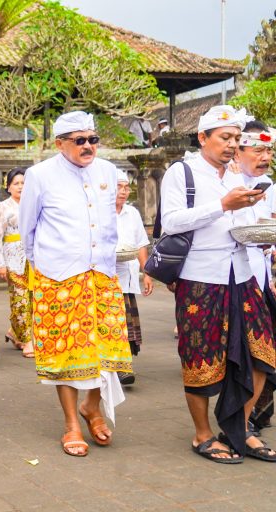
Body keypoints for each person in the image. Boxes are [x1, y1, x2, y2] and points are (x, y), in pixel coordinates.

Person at [161, 105, 276, 464]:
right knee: (201, 358)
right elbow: (172, 221)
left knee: (263, 354)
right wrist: (221, 205)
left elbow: (242, 224)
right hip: (200, 277)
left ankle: (240, 427)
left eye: (236, 139)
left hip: (242, 274)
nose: (231, 146)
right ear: (202, 138)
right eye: (225, 138)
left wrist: (259, 233)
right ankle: (203, 435)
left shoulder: (236, 176)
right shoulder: (181, 172)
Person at [18, 111, 133, 457]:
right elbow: (28, 230)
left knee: (106, 352)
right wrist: (43, 273)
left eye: (92, 139)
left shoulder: (109, 172)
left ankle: (92, 407)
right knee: (65, 355)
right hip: (59, 278)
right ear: (60, 143)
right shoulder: (39, 175)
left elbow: (109, 222)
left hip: (102, 275)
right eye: (79, 140)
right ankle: (71, 423)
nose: (88, 146)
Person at [237, 122, 276, 437]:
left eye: (269, 150)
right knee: (243, 354)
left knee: (263, 352)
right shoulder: (227, 182)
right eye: (259, 150)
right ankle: (237, 420)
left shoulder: (269, 185)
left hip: (262, 277)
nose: (266, 157)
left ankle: (252, 418)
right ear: (240, 149)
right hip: (231, 278)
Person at [114, 170, 153, 385]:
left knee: (127, 324)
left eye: (126, 187)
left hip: (128, 278)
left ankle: (124, 364)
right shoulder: (99, 214)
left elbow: (140, 243)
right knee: (114, 323)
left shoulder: (132, 213)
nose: (123, 191)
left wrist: (146, 273)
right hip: (106, 279)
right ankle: (119, 366)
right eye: (118, 187)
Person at [0, 167, 34, 357]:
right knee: (20, 301)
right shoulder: (4, 207)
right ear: (8, 187)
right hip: (13, 259)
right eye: (16, 183)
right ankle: (27, 341)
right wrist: (0, 263)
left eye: (23, 183)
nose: (20, 187)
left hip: (33, 260)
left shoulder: (33, 204)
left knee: (33, 301)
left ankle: (14, 331)